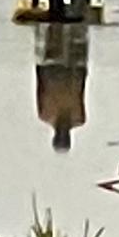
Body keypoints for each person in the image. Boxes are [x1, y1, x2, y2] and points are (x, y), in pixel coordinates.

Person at [34, 18, 89, 152]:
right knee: (75, 34)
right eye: (64, 138)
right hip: (73, 70)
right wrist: (83, 71)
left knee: (54, 33)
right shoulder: (79, 118)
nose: (62, 135)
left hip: (51, 69)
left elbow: (40, 88)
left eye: (60, 138)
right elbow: (81, 92)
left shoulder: (45, 115)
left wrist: (39, 67)